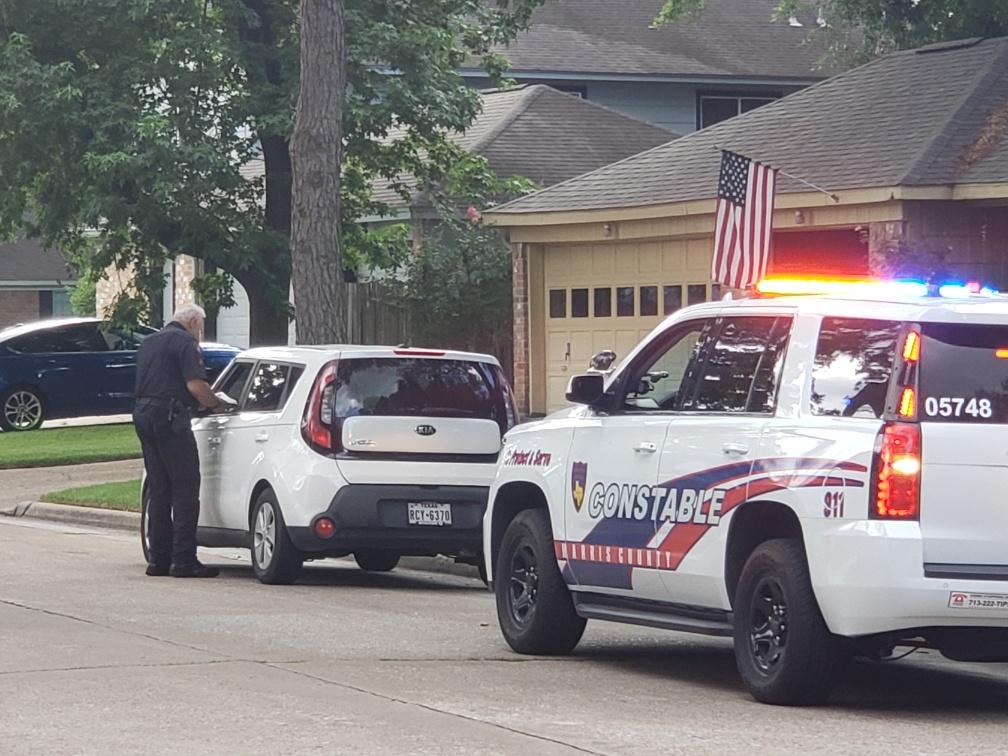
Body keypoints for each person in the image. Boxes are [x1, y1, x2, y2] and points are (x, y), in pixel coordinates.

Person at [133, 304, 229, 578]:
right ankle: (184, 559)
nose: (199, 333)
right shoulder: (185, 342)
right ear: (192, 322)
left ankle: (158, 559)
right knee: (185, 488)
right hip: (170, 418)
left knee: (160, 488)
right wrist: (216, 404)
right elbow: (195, 385)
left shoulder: (149, 342)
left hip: (143, 415)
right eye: (199, 327)